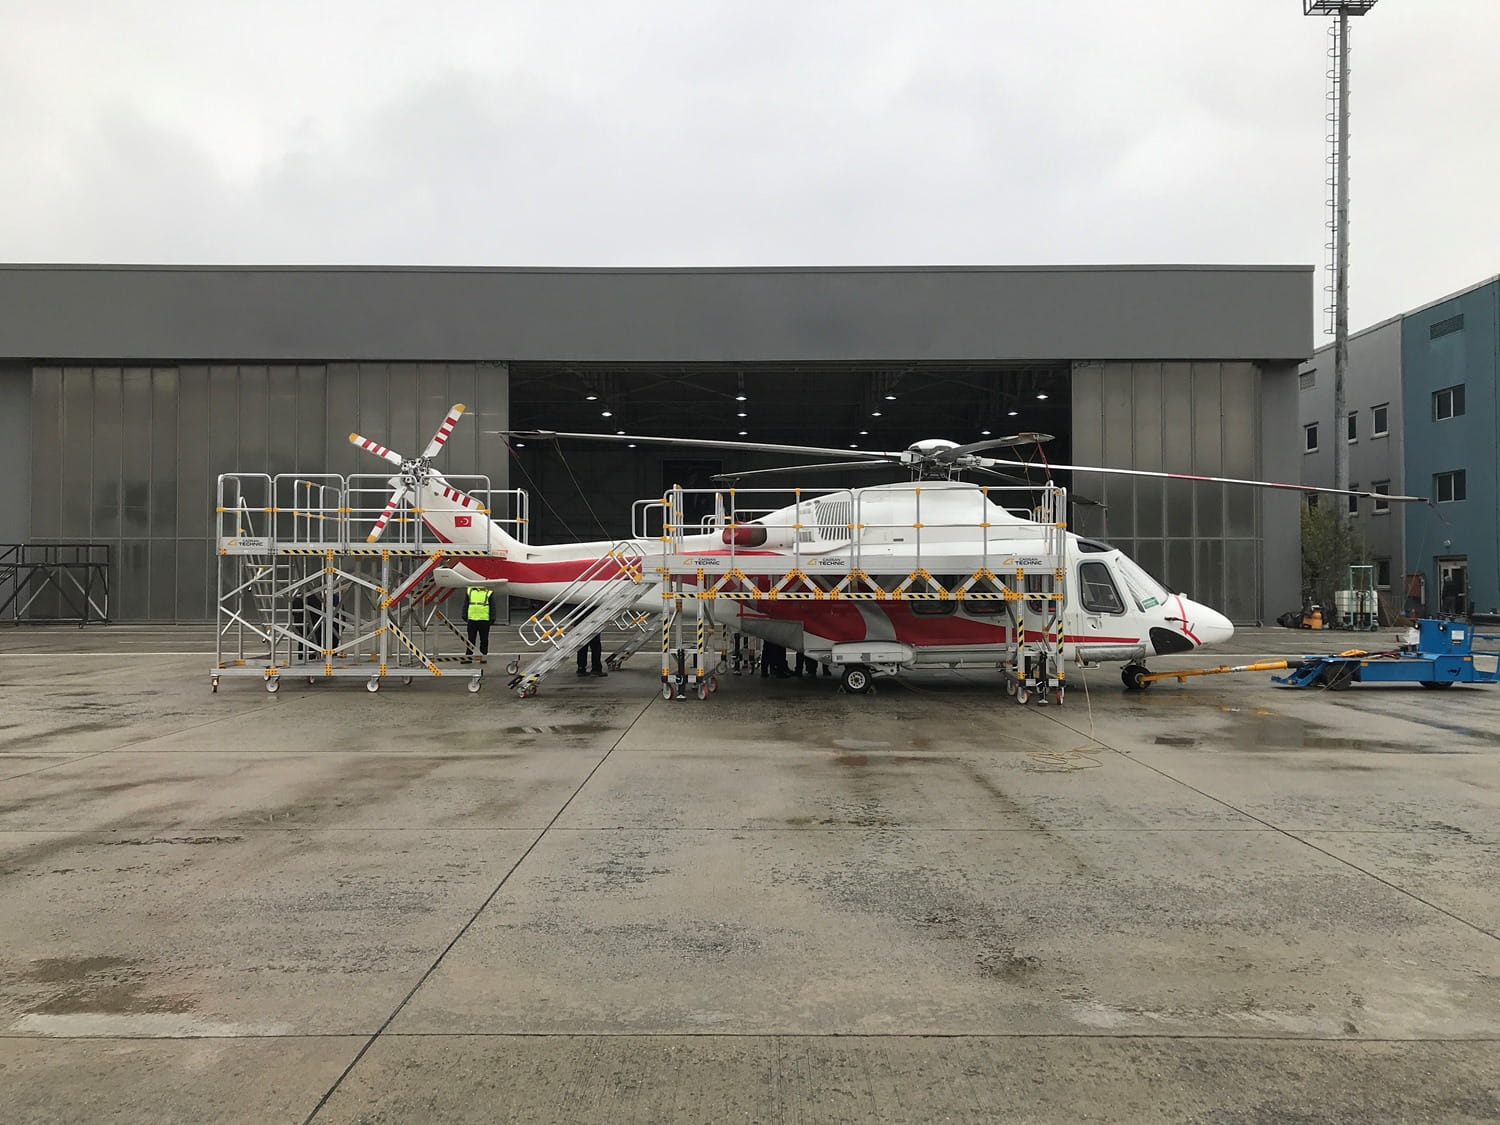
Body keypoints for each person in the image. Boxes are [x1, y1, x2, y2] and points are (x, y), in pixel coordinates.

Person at [465, 586, 494, 662]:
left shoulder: (488, 592)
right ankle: (468, 657)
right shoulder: (470, 591)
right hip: (472, 619)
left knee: (484, 640)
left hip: (484, 620)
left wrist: (492, 618)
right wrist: (464, 614)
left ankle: (483, 657)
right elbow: (466, 604)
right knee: (471, 640)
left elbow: (492, 606)